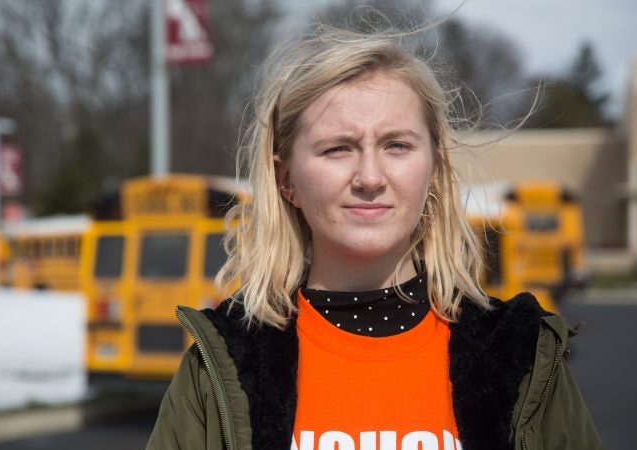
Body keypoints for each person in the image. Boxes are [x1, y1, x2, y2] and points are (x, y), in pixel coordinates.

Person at [146, 24, 604, 450]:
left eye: (397, 146)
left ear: (434, 169)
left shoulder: (522, 356)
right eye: (337, 148)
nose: (369, 177)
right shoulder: (222, 365)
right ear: (286, 180)